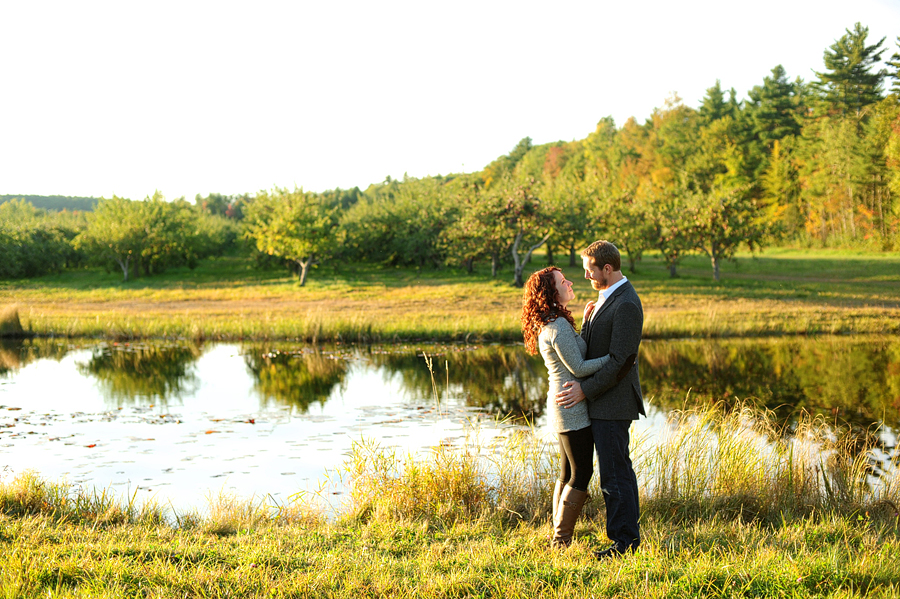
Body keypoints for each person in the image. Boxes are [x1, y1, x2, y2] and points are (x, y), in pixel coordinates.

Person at [555, 240, 645, 559]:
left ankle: (625, 543)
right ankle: (623, 538)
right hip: (602, 401)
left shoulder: (627, 304)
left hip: (614, 402)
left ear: (607, 268)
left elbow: (622, 360)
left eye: (590, 271)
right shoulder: (603, 299)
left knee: (615, 473)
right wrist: (586, 319)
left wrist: (585, 390)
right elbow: (593, 349)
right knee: (612, 471)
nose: (586, 277)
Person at [521, 266, 614, 549]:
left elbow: (577, 352)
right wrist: (615, 358)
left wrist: (586, 322)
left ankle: (557, 536)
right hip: (570, 406)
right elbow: (580, 367)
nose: (570, 282)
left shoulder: (554, 321)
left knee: (566, 472)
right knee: (581, 472)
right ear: (552, 292)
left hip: (562, 404)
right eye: (563, 281)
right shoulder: (557, 326)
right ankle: (560, 541)